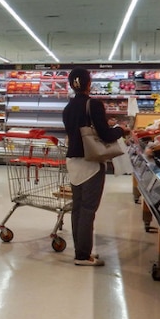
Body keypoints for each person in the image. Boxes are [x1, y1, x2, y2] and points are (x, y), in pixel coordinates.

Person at [61, 67, 128, 267]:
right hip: (91, 161)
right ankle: (83, 256)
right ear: (89, 83)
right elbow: (106, 135)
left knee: (78, 209)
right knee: (89, 209)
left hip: (73, 162)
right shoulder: (94, 104)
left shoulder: (68, 108)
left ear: (72, 84)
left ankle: (80, 251)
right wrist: (119, 130)